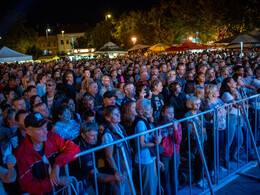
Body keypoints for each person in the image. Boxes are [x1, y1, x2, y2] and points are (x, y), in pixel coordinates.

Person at [15, 112, 80, 194]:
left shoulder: (51, 137)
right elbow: (28, 185)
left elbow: (74, 148)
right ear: (29, 131)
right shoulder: (21, 153)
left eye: (45, 127)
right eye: (39, 129)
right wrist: (56, 181)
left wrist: (57, 165)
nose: (45, 131)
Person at [69, 122, 126, 194]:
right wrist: (113, 178)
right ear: (83, 135)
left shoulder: (86, 141)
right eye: (92, 136)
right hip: (76, 182)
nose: (95, 138)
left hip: (85, 178)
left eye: (96, 135)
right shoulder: (81, 151)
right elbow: (94, 175)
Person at [132, 98, 161, 195]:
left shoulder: (145, 121)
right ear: (141, 112)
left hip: (149, 157)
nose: (151, 111)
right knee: (148, 187)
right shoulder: (140, 123)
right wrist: (156, 143)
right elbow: (142, 144)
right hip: (144, 158)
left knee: (153, 184)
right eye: (148, 110)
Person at [101, 105, 132, 195]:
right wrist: (116, 172)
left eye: (118, 113)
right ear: (107, 117)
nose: (118, 115)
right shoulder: (108, 135)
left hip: (126, 167)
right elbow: (108, 156)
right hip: (119, 171)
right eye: (115, 114)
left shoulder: (120, 128)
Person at [157, 105, 182, 195]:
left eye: (173, 113)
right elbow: (158, 145)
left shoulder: (177, 124)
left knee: (174, 176)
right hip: (164, 155)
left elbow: (178, 141)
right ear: (163, 113)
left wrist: (175, 128)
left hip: (175, 153)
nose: (172, 115)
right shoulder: (159, 126)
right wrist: (158, 159)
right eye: (169, 113)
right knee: (166, 177)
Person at [184, 96, 207, 188]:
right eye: (196, 103)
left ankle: (199, 178)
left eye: (199, 103)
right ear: (191, 104)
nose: (198, 105)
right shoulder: (187, 116)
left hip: (203, 139)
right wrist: (201, 130)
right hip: (195, 141)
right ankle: (197, 179)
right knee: (198, 160)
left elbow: (205, 124)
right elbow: (189, 131)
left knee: (201, 160)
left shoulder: (200, 113)